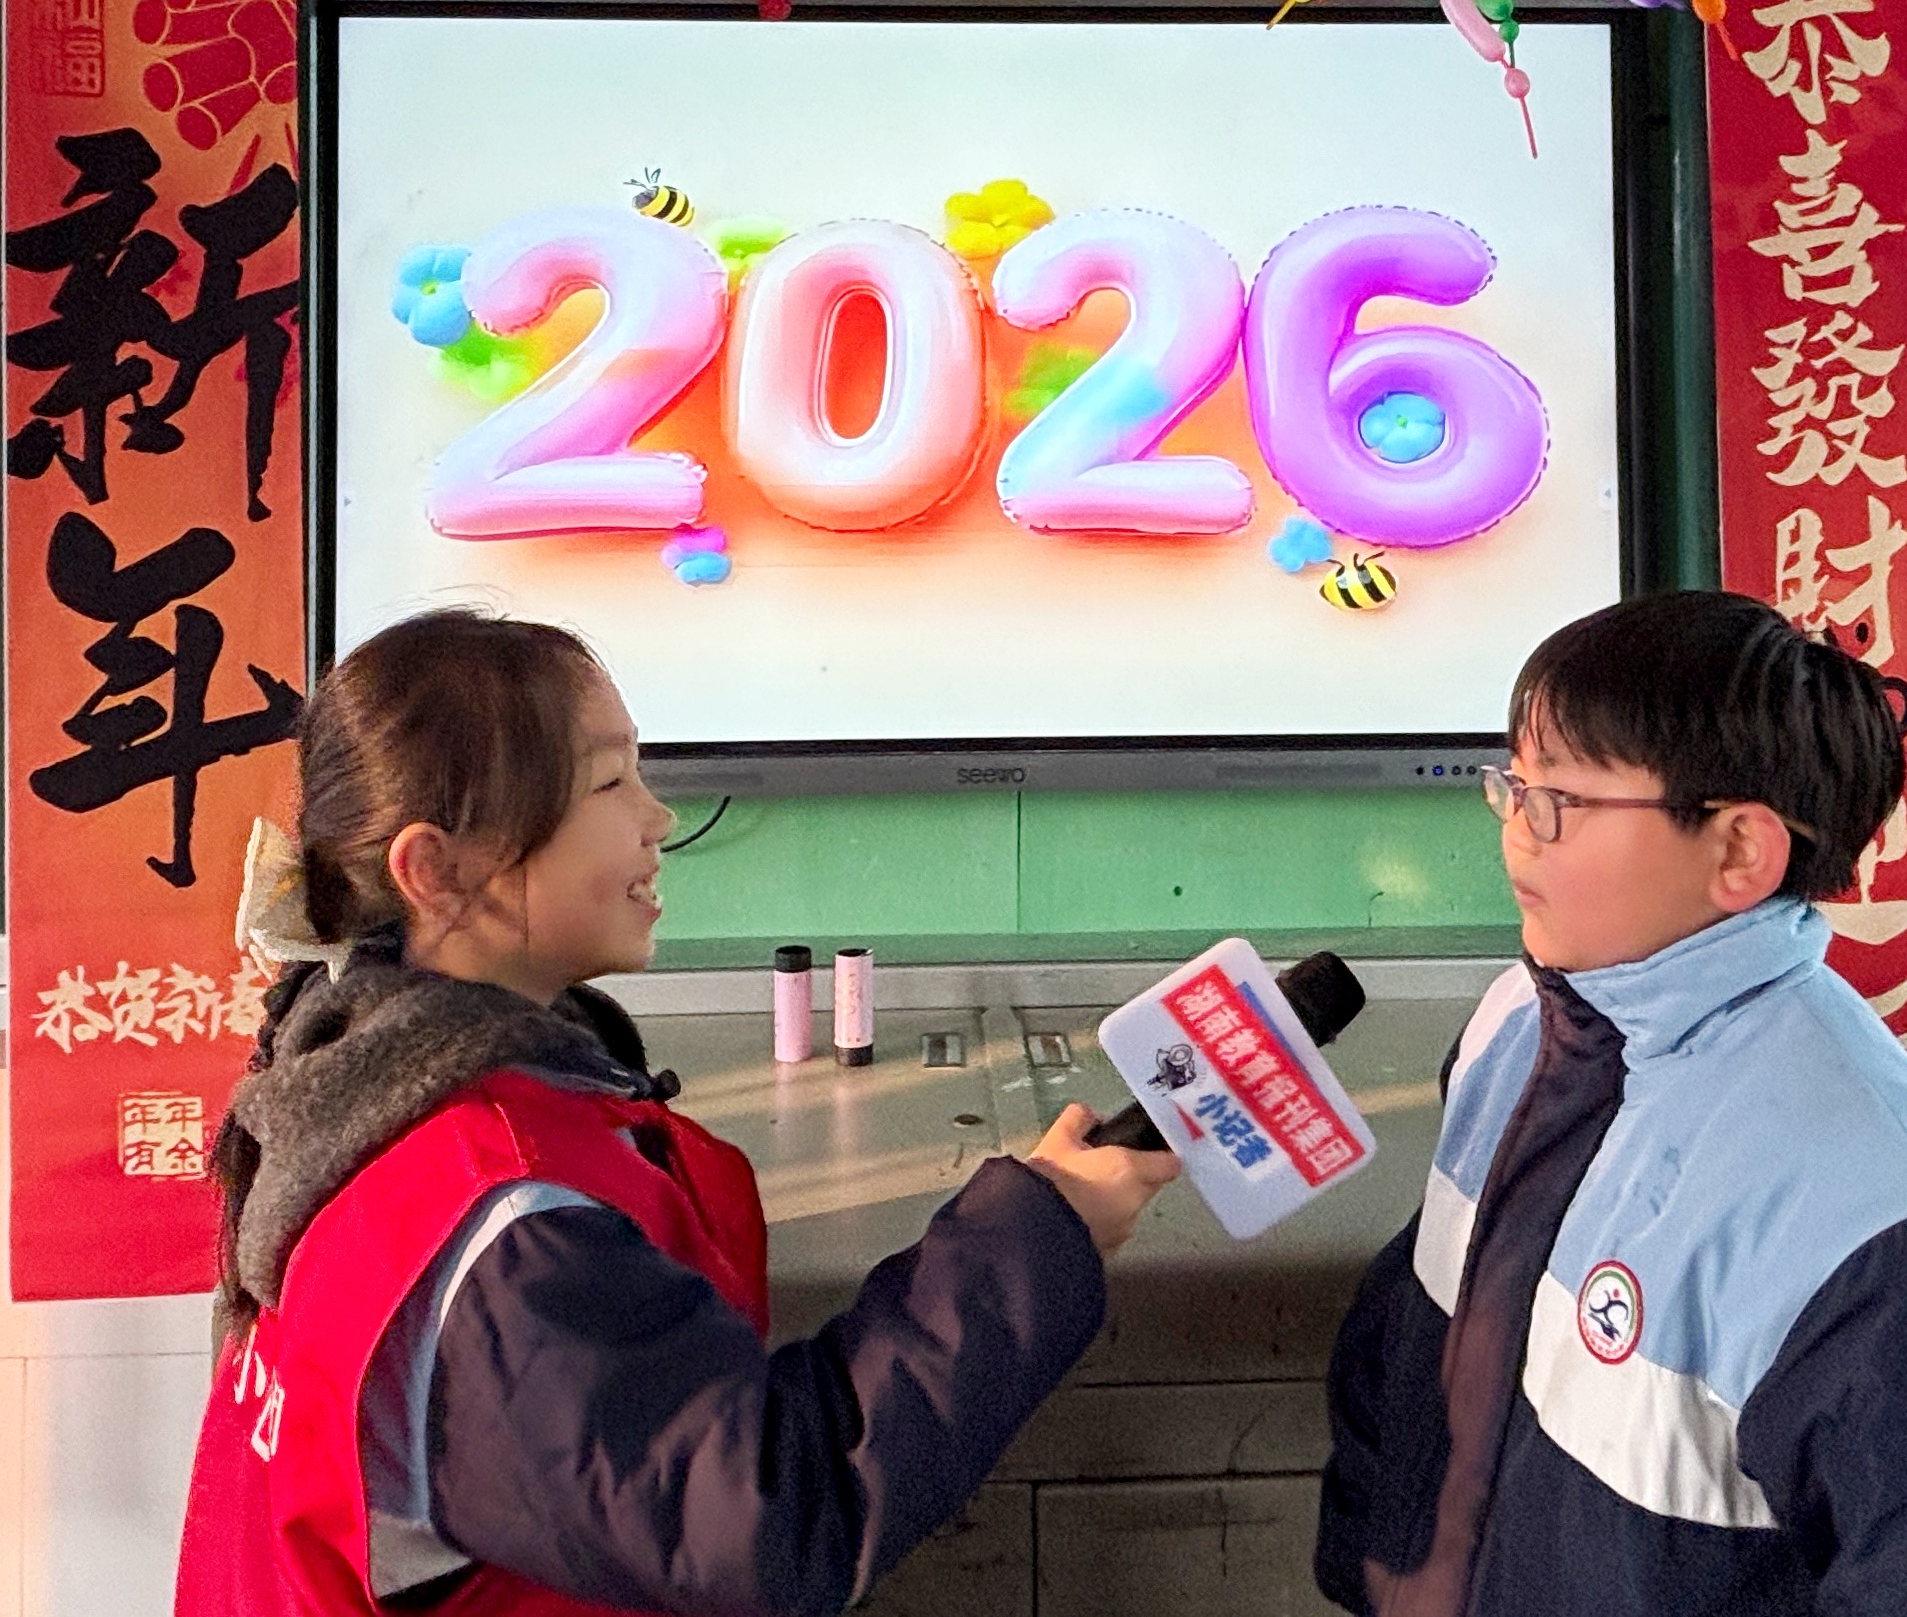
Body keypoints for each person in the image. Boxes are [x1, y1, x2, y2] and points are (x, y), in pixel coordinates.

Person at [175, 606, 1174, 1617]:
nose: (656, 817)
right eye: (609, 783)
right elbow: (771, 1522)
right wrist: (1033, 1241)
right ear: (438, 870)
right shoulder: (500, 1231)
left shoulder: (353, 1087)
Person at [1317, 590, 1907, 1616]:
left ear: (1738, 852)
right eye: (1515, 785)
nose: (1516, 835)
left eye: (1562, 801)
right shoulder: (1520, 1021)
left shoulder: (1900, 1225)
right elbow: (1419, 1338)